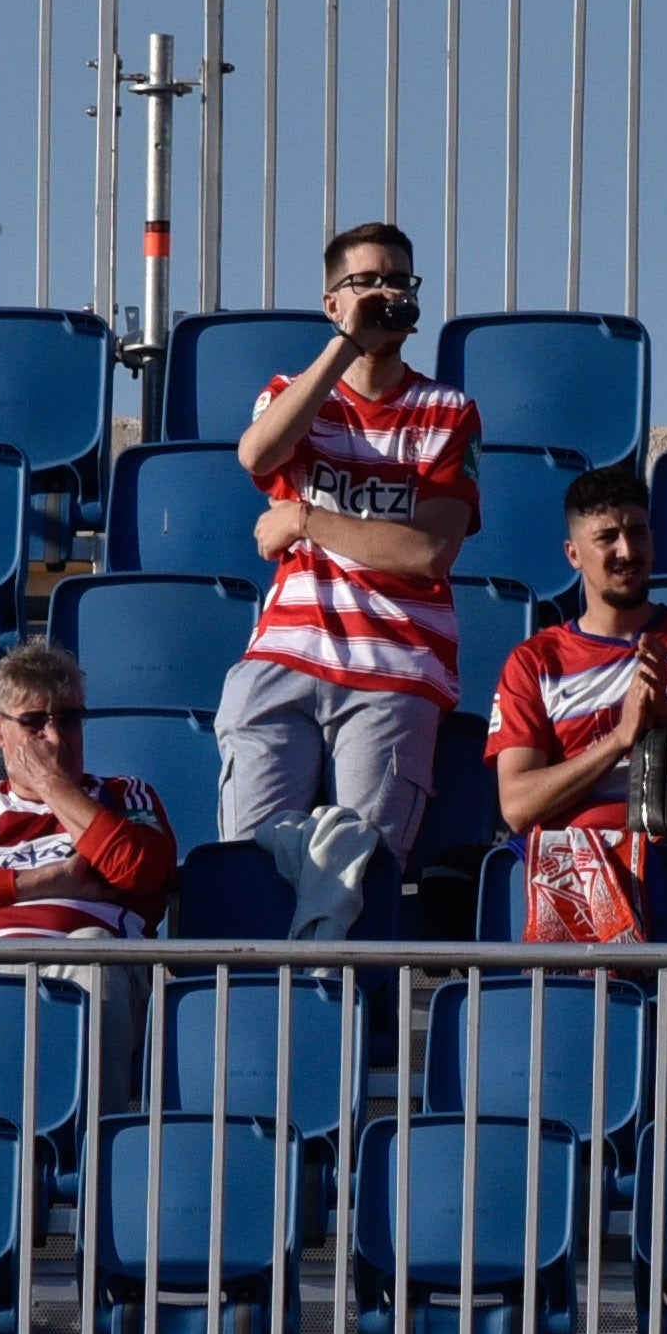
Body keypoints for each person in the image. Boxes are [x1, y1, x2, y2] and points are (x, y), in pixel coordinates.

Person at [217, 220, 479, 866]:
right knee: (250, 864)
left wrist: (304, 520)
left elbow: (427, 552)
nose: (384, 292)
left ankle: (333, 972)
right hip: (284, 655)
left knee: (358, 867)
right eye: (366, 282)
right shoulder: (294, 394)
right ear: (333, 301)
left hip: (394, 664)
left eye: (397, 280)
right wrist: (345, 345)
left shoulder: (448, 410)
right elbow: (257, 451)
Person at [485, 463, 667, 845]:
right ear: (573, 554)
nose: (627, 551)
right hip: (567, 865)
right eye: (607, 537)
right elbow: (517, 807)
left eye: (638, 533)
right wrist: (619, 739)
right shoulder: (535, 661)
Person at [0, 645, 179, 941]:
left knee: (90, 946)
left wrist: (50, 783)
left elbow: (141, 870)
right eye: (33, 722)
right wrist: (50, 881)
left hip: (81, 961)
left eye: (68, 719)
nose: (55, 738)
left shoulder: (125, 793)